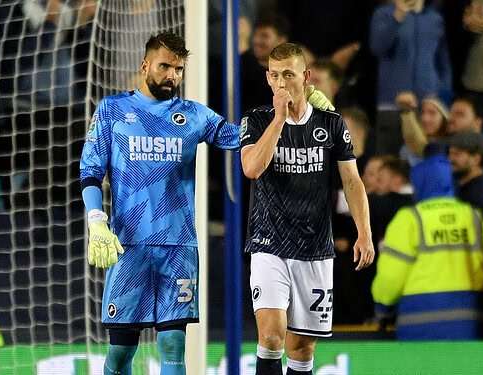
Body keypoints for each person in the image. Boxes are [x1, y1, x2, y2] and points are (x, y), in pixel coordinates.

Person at [80, 33, 334, 375]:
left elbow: (247, 139)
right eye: (165, 66)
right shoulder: (113, 111)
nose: (172, 75)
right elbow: (91, 171)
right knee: (121, 353)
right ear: (145, 66)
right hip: (129, 246)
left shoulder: (194, 116)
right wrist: (96, 220)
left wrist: (299, 109)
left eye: (179, 69)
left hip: (178, 247)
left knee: (172, 344)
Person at [240, 42, 373, 375]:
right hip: (268, 245)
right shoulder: (256, 120)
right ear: (268, 79)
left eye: (289, 74)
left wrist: (364, 233)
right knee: (271, 337)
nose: (281, 82)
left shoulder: (330, 124)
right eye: (275, 75)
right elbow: (252, 168)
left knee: (301, 348)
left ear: (306, 76)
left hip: (315, 248)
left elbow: (353, 182)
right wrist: (280, 121)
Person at [372, 155, 483, 340]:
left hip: (417, 323)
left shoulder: (410, 219)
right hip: (470, 322)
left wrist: (382, 309)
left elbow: (391, 276)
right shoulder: (472, 216)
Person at [369, 0, 452, 155]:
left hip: (427, 108)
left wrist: (442, 98)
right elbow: (377, 47)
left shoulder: (435, 18)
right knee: (389, 161)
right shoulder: (384, 13)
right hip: (392, 105)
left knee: (425, 158)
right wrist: (397, 17)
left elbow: (443, 62)